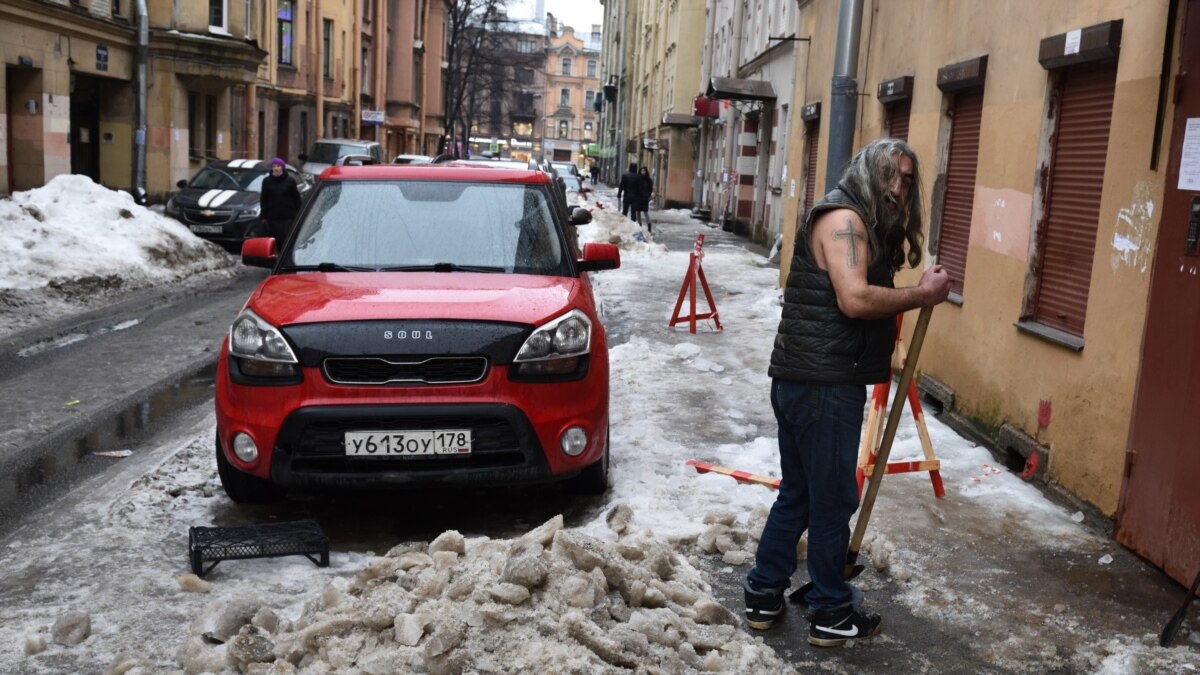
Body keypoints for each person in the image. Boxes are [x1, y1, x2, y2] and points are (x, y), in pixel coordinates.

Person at [743, 138, 950, 647]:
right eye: (890, 175)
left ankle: (764, 595)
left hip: (804, 380)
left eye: (906, 178)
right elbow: (854, 299)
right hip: (825, 388)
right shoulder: (845, 222)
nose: (898, 187)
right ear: (865, 172)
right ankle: (831, 612)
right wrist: (922, 295)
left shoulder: (851, 219)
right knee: (832, 501)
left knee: (800, 495)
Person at [259, 157, 302, 243]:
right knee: (275, 239)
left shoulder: (290, 180)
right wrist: (263, 215)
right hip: (273, 216)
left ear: (282, 167)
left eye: (278, 166)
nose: (276, 168)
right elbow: (264, 199)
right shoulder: (266, 181)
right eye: (274, 166)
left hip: (288, 216)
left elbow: (296, 197)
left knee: (286, 238)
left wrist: (300, 212)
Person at [634, 166, 654, 232]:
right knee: (638, 212)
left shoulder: (648, 180)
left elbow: (650, 189)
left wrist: (647, 195)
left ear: (646, 171)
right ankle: (639, 225)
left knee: (646, 212)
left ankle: (649, 225)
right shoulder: (637, 179)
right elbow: (635, 188)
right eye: (642, 171)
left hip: (644, 198)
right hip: (638, 198)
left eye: (644, 171)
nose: (643, 172)